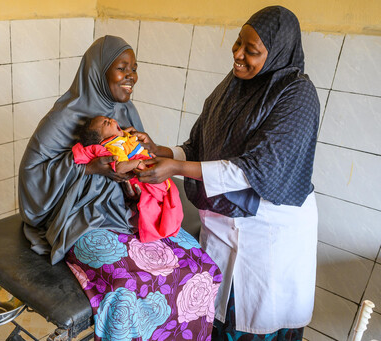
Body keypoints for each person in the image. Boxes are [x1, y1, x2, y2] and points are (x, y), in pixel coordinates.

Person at [133, 6, 320, 340]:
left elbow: (259, 168)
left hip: (268, 234)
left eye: (252, 51)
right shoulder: (233, 87)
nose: (238, 54)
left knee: (259, 322)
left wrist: (176, 168)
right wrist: (165, 152)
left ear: (277, 52)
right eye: (238, 43)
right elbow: (202, 142)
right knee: (218, 316)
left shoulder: (297, 94)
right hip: (222, 225)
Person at [18, 35, 222, 340]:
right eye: (122, 68)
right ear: (98, 72)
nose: (131, 76)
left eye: (134, 68)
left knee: (198, 264)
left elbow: (141, 162)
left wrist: (145, 158)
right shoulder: (63, 117)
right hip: (83, 218)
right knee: (127, 289)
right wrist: (90, 167)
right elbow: (32, 176)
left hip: (132, 211)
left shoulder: (125, 112)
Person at [72, 115, 183, 243]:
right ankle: (158, 228)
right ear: (101, 138)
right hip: (141, 176)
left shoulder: (121, 138)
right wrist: (138, 163)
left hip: (152, 170)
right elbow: (119, 167)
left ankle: (168, 224)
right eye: (107, 123)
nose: (113, 120)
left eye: (110, 119)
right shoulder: (113, 145)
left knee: (171, 196)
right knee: (154, 204)